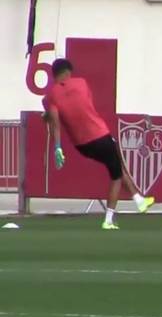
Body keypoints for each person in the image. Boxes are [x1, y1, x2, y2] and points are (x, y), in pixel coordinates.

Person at [42, 58, 155, 229]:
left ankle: (138, 199)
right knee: (116, 174)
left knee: (115, 164)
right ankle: (109, 220)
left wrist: (57, 147)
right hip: (99, 135)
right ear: (67, 72)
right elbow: (85, 104)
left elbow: (55, 123)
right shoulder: (81, 83)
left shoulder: (49, 97)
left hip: (82, 146)